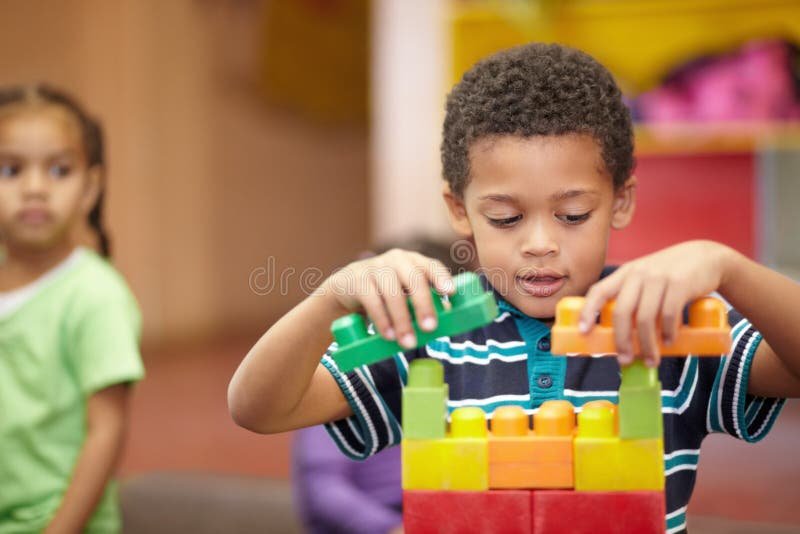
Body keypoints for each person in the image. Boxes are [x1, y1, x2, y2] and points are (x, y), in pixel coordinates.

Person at [228, 43, 800, 534]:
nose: (539, 244)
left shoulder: (658, 325)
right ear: (459, 210)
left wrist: (726, 265)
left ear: (620, 201)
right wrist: (330, 296)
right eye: (505, 219)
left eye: (573, 214)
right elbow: (259, 408)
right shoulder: (431, 335)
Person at [0, 85, 144, 533]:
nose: (35, 189)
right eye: (11, 169)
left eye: (59, 170)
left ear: (90, 188)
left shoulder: (95, 295)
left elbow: (106, 432)